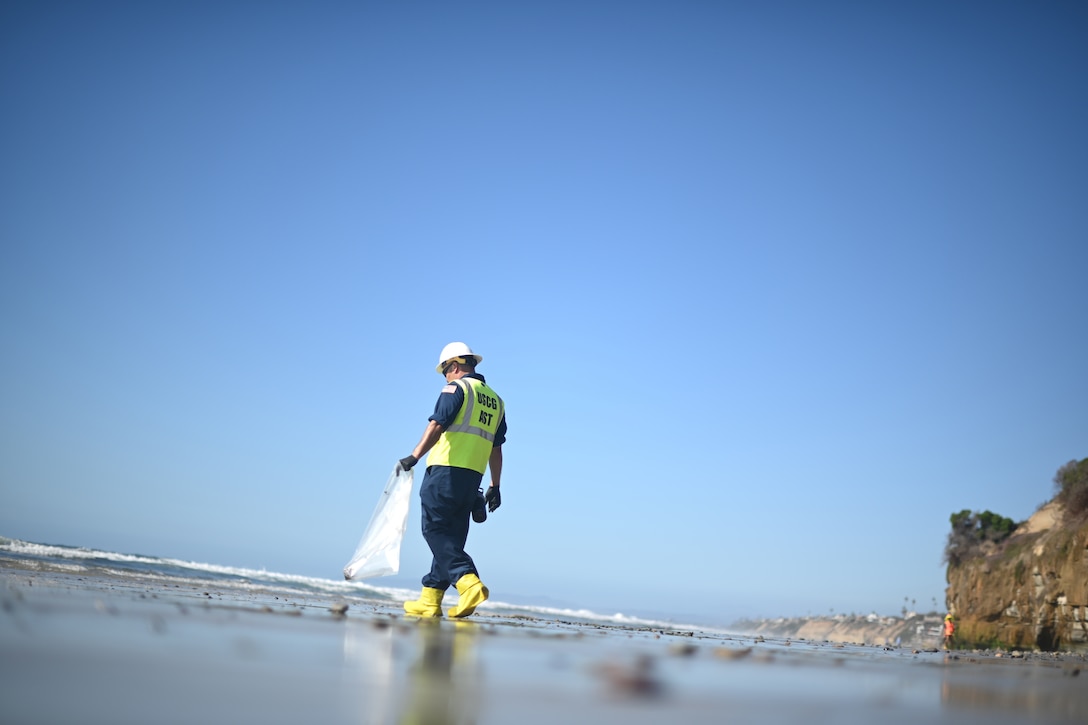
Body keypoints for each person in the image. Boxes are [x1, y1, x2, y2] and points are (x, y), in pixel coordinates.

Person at [397, 342, 506, 618]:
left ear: (454, 367)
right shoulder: (496, 401)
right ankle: (430, 599)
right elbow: (496, 447)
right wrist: (495, 485)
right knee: (451, 538)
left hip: (445, 470)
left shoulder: (457, 389)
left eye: (445, 371)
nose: (445, 377)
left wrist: (414, 456)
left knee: (434, 530)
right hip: (473, 479)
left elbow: (437, 424)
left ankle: (468, 582)